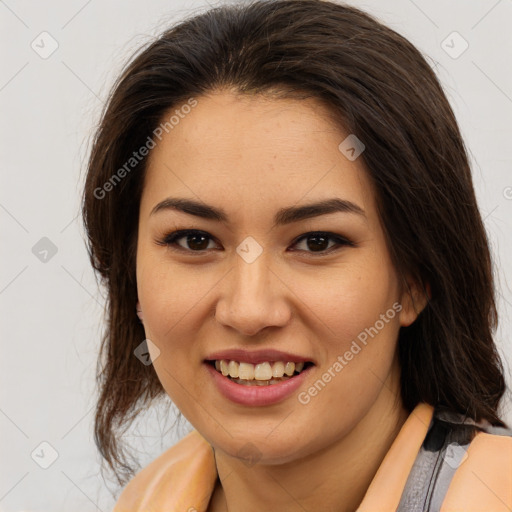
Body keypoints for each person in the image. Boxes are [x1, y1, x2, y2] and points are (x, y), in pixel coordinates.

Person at [81, 0, 512, 510]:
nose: (249, 311)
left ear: (416, 277)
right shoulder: (146, 499)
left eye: (317, 242)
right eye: (195, 240)